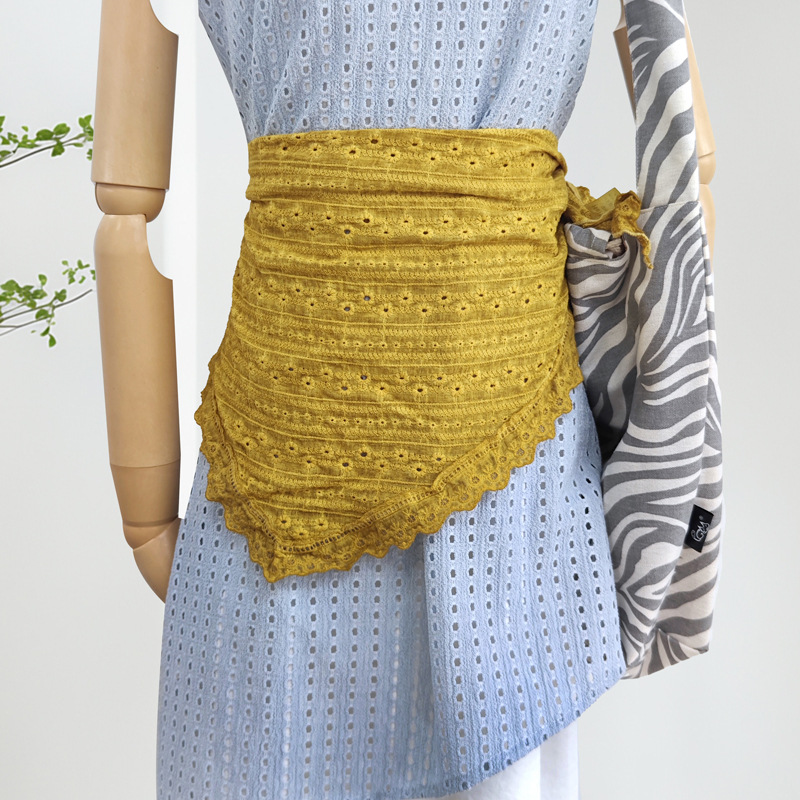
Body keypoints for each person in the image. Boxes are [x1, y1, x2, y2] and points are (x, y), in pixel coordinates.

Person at [91, 2, 716, 797]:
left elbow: (123, 210)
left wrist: (146, 525)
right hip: (286, 480)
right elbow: (692, 175)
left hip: (502, 464)